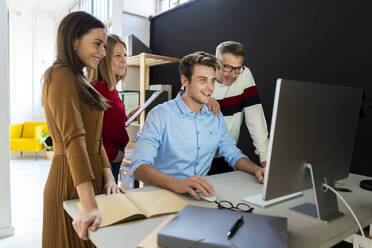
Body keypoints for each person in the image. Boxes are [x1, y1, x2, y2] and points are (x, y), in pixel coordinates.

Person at [129, 52, 265, 200]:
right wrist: (178, 184)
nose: (210, 88)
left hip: (199, 198)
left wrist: (257, 169)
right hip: (161, 197)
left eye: (213, 81)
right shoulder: (160, 115)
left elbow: (232, 153)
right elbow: (138, 166)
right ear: (185, 80)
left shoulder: (215, 116)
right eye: (202, 80)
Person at [42, 11, 123, 247]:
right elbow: (74, 140)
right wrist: (88, 204)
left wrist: (108, 176)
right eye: (97, 44)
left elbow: (94, 139)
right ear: (74, 40)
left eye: (104, 46)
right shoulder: (60, 75)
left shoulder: (81, 79)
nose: (103, 52)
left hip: (90, 178)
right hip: (71, 179)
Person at [207, 41, 269, 175]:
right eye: (228, 67)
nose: (234, 74)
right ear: (216, 63)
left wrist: (266, 161)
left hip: (228, 156)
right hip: (197, 159)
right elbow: (181, 105)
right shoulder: (201, 76)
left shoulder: (244, 75)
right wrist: (204, 99)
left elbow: (256, 120)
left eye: (237, 68)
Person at [87, 34, 138, 184]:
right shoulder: (97, 89)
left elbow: (108, 123)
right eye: (118, 55)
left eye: (125, 55)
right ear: (103, 58)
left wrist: (127, 118)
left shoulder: (111, 88)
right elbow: (88, 135)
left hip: (113, 158)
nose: (124, 60)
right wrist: (113, 153)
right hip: (104, 161)